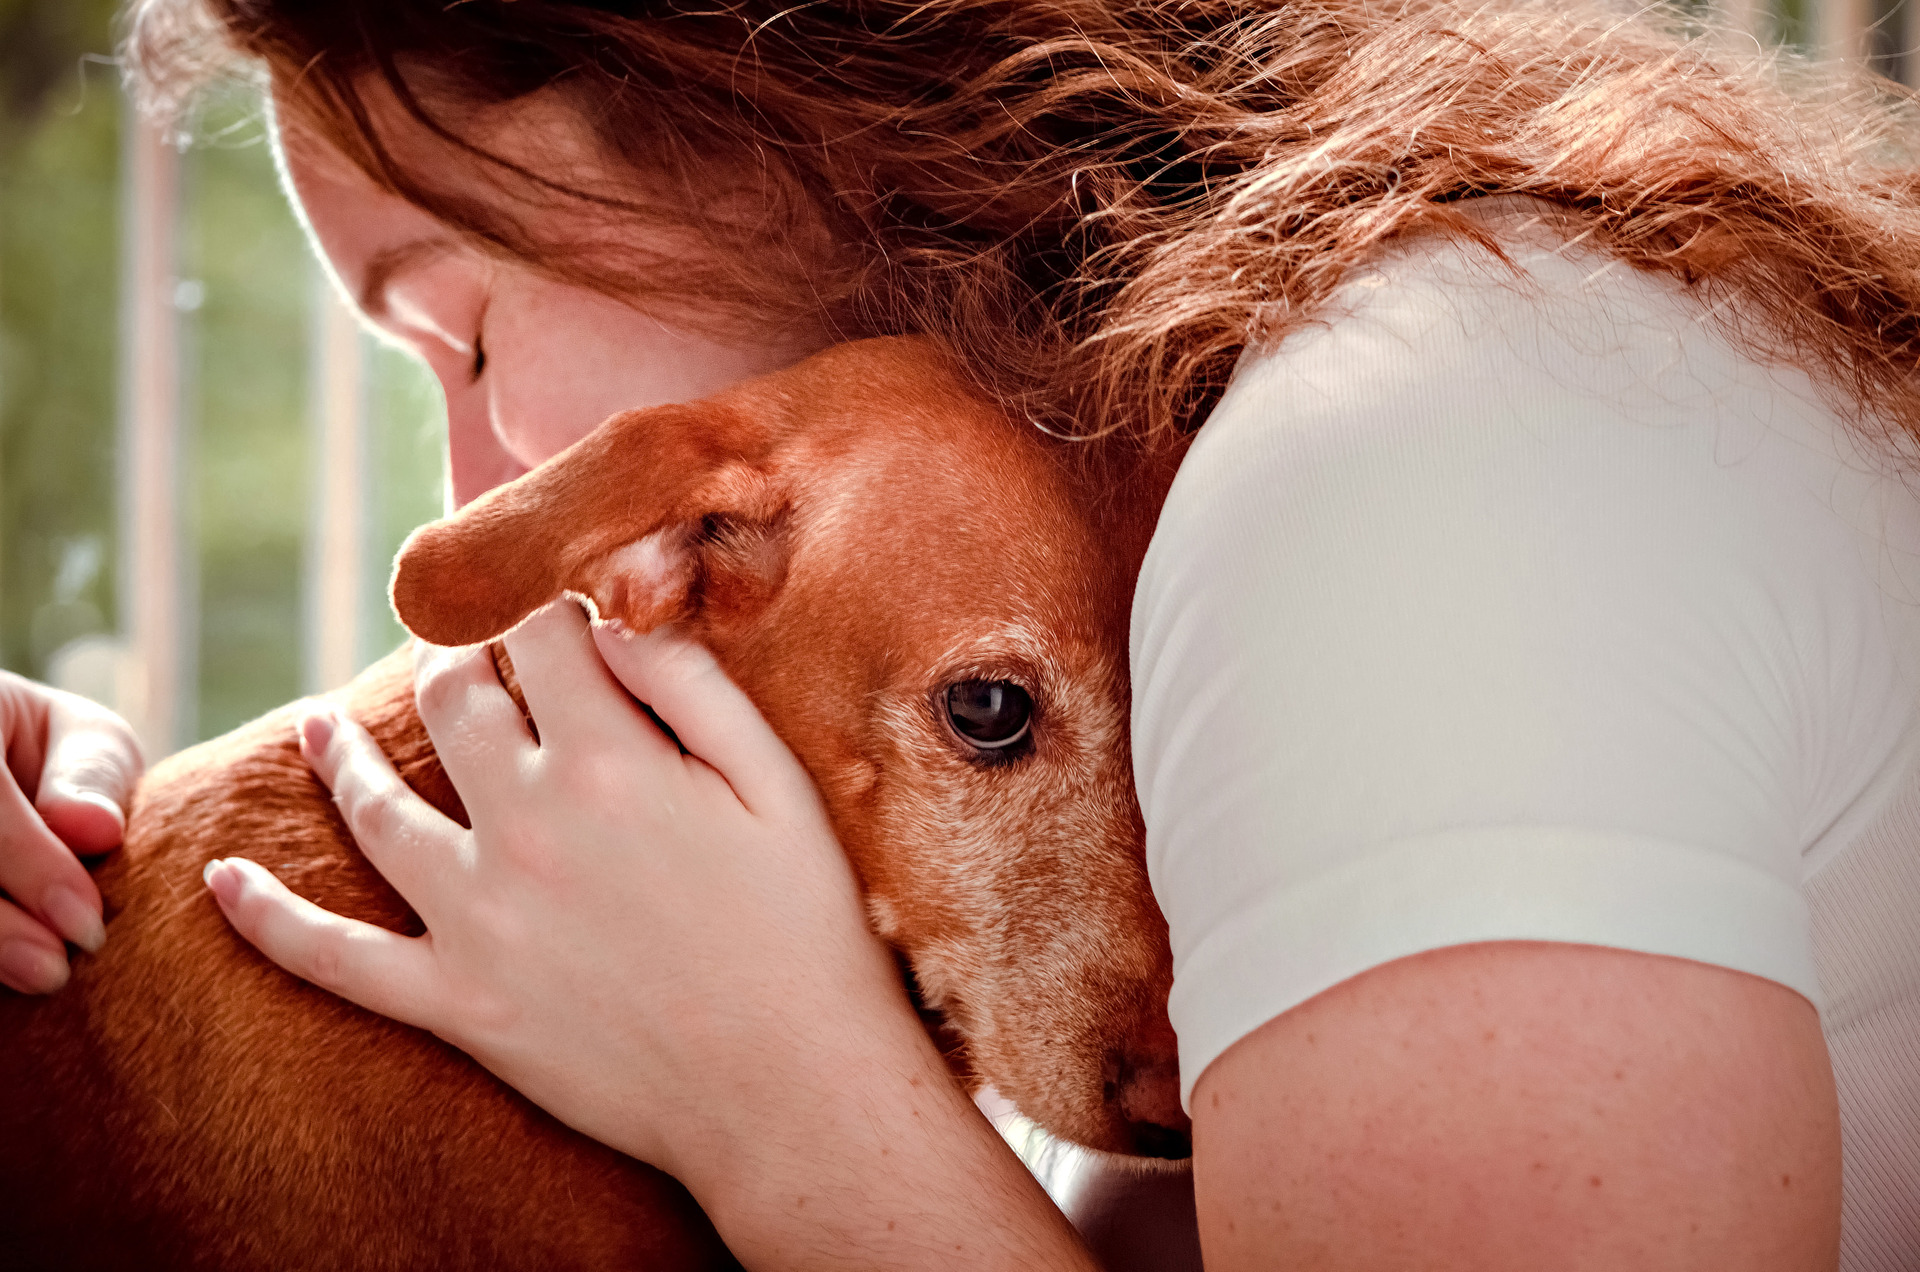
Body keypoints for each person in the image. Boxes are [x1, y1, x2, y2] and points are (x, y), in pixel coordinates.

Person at [5, 0, 1916, 1265]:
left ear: (733, 110)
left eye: (469, 329)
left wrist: (780, 1105)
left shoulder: (1409, 475)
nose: (475, 470)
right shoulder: (1345, 399)